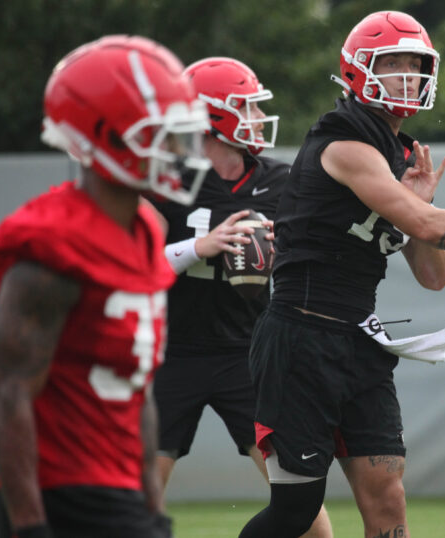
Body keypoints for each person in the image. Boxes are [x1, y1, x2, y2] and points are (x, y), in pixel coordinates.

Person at [238, 11, 445, 538]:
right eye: (392, 64)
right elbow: (426, 224)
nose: (408, 76)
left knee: (389, 500)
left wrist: (415, 203)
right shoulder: (344, 143)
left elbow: (434, 274)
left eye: (416, 64)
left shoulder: (402, 155)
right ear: (358, 71)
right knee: (296, 510)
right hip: (302, 337)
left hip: (360, 342)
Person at [0, 35, 211, 538]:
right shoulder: (50, 242)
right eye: (160, 135)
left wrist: (152, 506)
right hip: (59, 492)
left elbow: (136, 386)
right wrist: (28, 526)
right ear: (106, 136)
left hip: (121, 485)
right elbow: (9, 393)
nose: (176, 151)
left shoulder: (147, 227)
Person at [146, 57, 332, 536]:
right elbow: (129, 264)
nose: (255, 118)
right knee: (136, 501)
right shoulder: (163, 181)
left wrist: (284, 249)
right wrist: (197, 249)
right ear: (211, 116)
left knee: (308, 517)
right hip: (172, 355)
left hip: (248, 356)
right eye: (245, 107)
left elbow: (319, 255)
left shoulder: (282, 181)